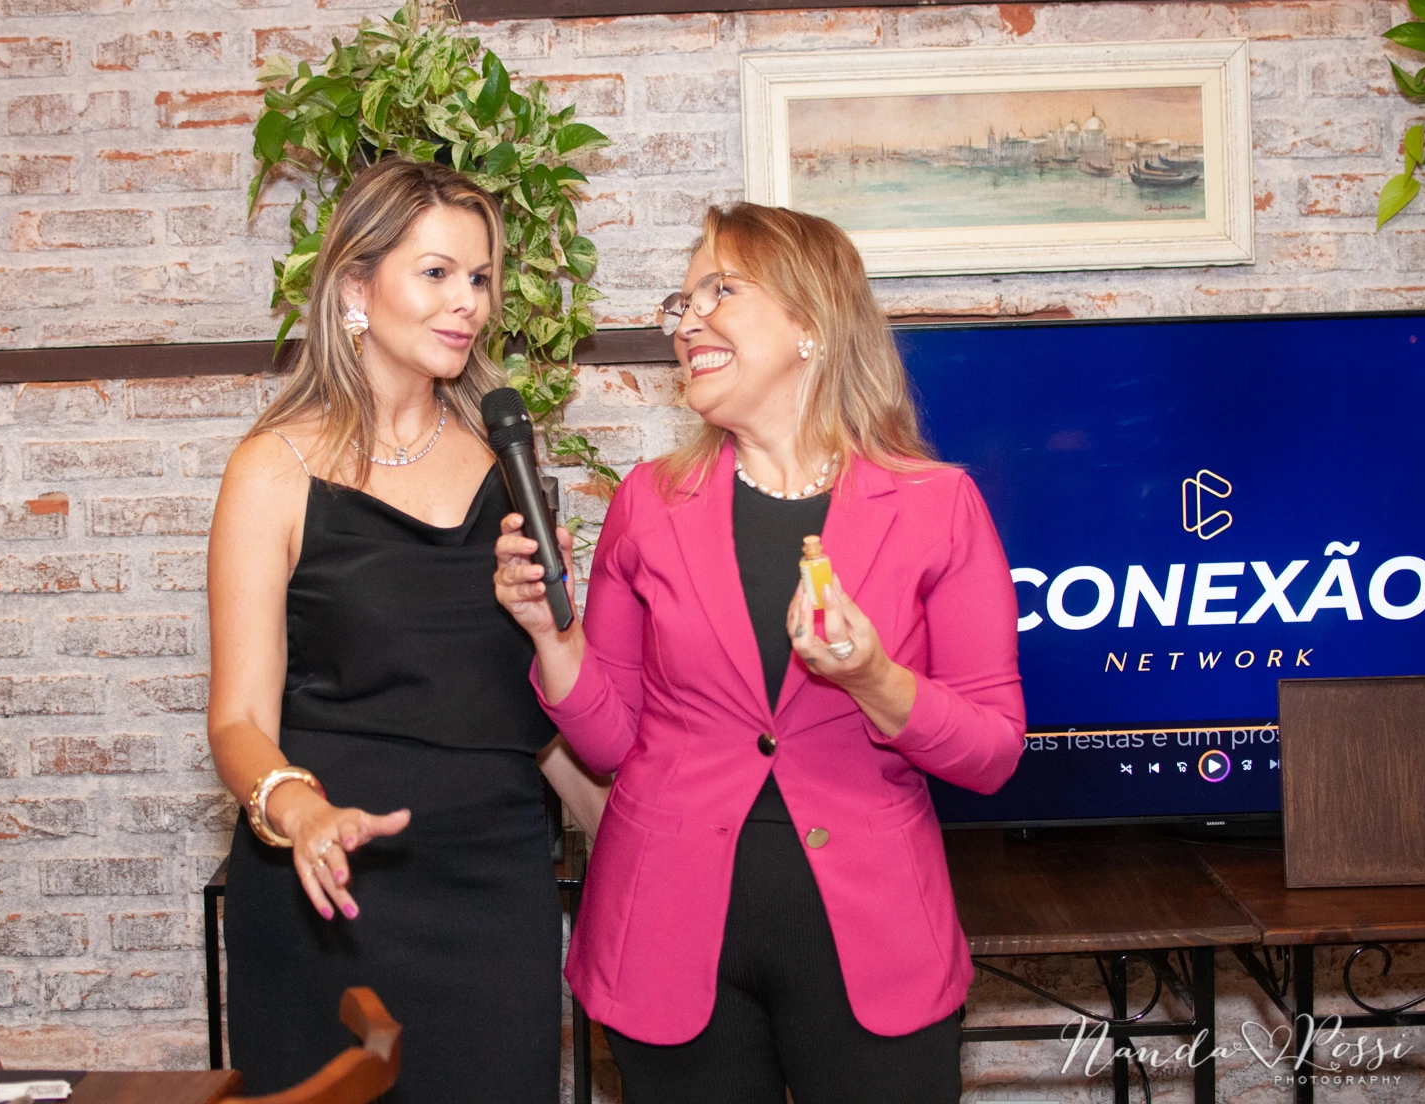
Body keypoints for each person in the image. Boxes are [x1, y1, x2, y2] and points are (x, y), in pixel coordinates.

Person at [494, 203, 1027, 1103]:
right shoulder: (647, 502)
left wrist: (874, 679)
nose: (686, 322)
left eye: (719, 292)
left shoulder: (938, 506)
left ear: (809, 322)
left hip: (875, 943)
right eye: (683, 301)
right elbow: (610, 743)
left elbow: (992, 752)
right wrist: (551, 636)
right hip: (664, 939)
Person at [206, 158, 609, 1100]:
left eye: (479, 278)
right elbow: (237, 721)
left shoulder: (506, 467)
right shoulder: (273, 469)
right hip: (331, 890)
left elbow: (526, 710)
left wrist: (634, 829)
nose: (467, 301)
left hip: (494, 886)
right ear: (357, 287)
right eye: (436, 273)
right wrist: (302, 815)